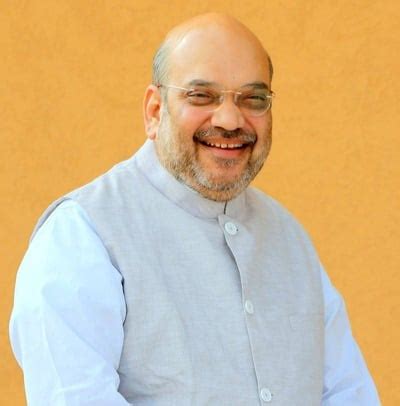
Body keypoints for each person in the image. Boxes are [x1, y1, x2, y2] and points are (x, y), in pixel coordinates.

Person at [10, 13, 380, 405]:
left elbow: (347, 393)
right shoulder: (82, 235)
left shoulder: (289, 238)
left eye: (253, 99)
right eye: (202, 96)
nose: (230, 120)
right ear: (155, 111)